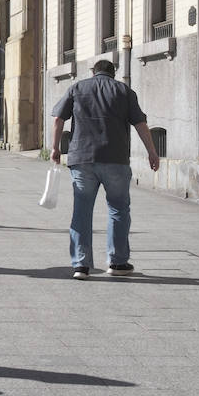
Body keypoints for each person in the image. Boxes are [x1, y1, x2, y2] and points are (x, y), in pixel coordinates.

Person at [51, 59, 160, 279]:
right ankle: (118, 262)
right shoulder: (124, 91)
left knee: (81, 211)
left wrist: (55, 148)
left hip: (82, 159)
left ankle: (81, 265)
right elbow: (140, 124)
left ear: (93, 72)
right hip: (116, 159)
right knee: (118, 209)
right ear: (114, 72)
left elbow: (58, 119)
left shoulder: (77, 88)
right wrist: (152, 151)